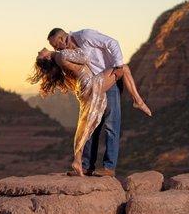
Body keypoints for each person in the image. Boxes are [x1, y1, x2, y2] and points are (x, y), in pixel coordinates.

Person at [28, 30, 151, 177]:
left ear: (61, 38)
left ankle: (89, 165)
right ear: (48, 57)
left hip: (100, 82)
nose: (56, 49)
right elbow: (84, 57)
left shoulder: (84, 36)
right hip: (94, 83)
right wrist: (118, 67)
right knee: (105, 124)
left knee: (91, 124)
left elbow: (112, 43)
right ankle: (137, 101)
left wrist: (116, 66)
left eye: (56, 45)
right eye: (54, 48)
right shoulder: (61, 55)